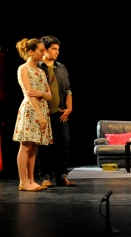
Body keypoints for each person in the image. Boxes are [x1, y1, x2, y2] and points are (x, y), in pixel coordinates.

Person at [13, 38, 53, 191]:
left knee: (34, 146)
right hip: (31, 110)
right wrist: (39, 115)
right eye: (41, 50)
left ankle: (31, 180)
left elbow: (49, 95)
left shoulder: (41, 72)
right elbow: (28, 94)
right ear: (31, 52)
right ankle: (23, 182)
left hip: (42, 108)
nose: (44, 52)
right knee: (25, 145)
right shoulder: (23, 69)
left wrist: (40, 93)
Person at [36, 36, 75, 187]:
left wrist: (69, 108)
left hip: (60, 112)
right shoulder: (37, 68)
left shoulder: (61, 68)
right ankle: (46, 177)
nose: (57, 52)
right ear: (45, 50)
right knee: (44, 146)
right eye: (53, 49)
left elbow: (68, 90)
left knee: (64, 144)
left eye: (58, 49)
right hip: (44, 113)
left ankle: (62, 176)